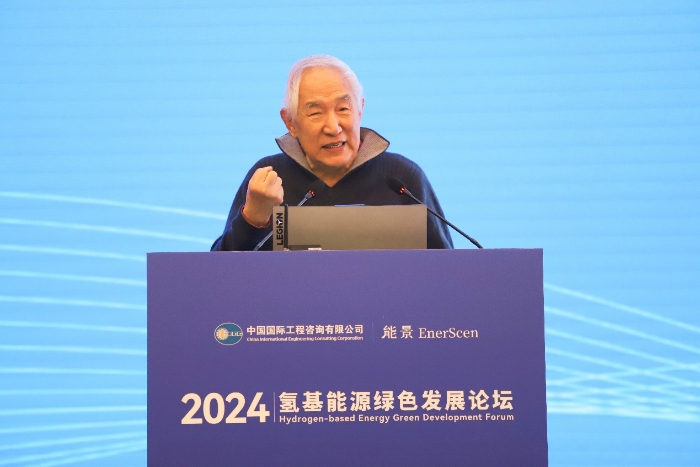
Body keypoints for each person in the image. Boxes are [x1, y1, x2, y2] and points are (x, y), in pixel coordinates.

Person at [211, 55, 453, 251]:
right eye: (316, 113)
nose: (333, 127)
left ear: (360, 110)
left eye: (343, 109)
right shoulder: (268, 180)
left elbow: (447, 272)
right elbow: (221, 277)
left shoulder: (402, 178)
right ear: (290, 122)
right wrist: (253, 218)